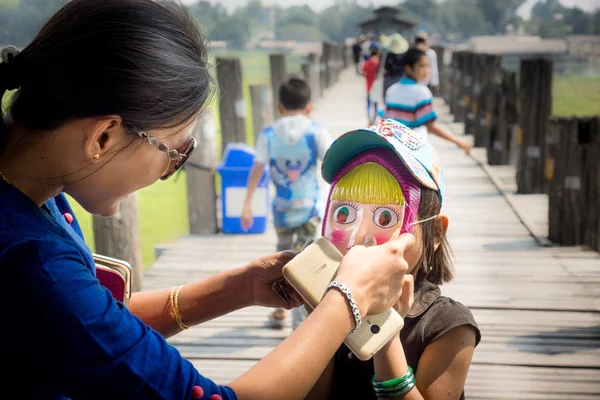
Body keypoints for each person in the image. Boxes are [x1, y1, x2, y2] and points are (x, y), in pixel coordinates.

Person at [0, 1, 419, 399]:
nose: (169, 172)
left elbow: (90, 326)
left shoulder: (32, 191)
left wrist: (239, 287)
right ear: (103, 137)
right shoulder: (31, 261)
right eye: (175, 153)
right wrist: (348, 299)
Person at [306, 118, 481, 400]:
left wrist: (384, 333)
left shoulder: (448, 324)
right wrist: (317, 317)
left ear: (435, 233)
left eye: (385, 218)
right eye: (344, 215)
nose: (362, 237)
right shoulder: (331, 302)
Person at [241, 77, 332, 330]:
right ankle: (300, 323)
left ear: (279, 107)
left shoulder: (268, 134)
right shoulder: (316, 132)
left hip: (282, 210)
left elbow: (258, 168)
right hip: (310, 211)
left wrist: (247, 204)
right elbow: (333, 161)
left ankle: (280, 310)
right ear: (309, 107)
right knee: (306, 265)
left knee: (281, 263)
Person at [383, 47, 472, 155]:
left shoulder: (391, 90)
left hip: (392, 149)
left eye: (428, 66)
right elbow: (430, 126)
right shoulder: (421, 92)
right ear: (408, 68)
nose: (426, 70)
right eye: (421, 66)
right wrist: (458, 141)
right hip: (414, 150)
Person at [380, 33, 409, 103]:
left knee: (388, 99)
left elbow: (383, 66)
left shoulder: (386, 54)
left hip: (389, 78)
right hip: (401, 79)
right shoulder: (404, 55)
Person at [414, 31, 440, 96]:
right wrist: (435, 83)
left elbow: (433, 69)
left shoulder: (430, 53)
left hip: (426, 83)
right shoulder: (413, 53)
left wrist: (434, 83)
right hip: (415, 83)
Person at [362, 47, 381, 125]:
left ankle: (369, 117)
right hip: (376, 87)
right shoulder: (378, 64)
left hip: (368, 87)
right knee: (376, 104)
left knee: (369, 104)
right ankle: (375, 118)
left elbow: (363, 72)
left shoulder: (366, 63)